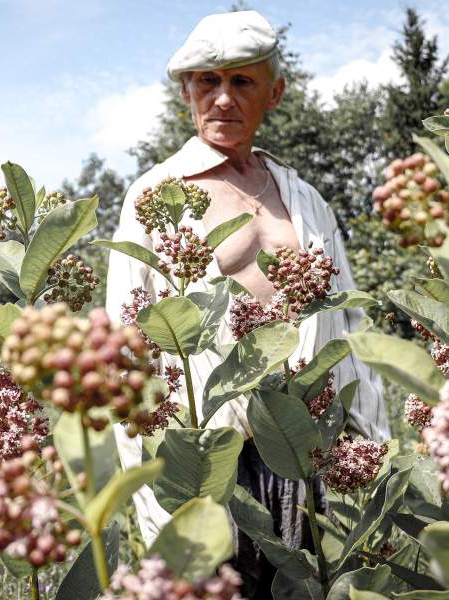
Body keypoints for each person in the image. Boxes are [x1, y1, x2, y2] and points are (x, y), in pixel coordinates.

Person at [105, 10, 389, 596]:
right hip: (208, 453)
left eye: (242, 82)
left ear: (275, 93)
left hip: (302, 443)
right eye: (208, 82)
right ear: (187, 91)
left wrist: (373, 445)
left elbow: (348, 324)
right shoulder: (156, 196)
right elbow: (125, 349)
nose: (223, 100)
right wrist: (157, 496)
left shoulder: (303, 198)